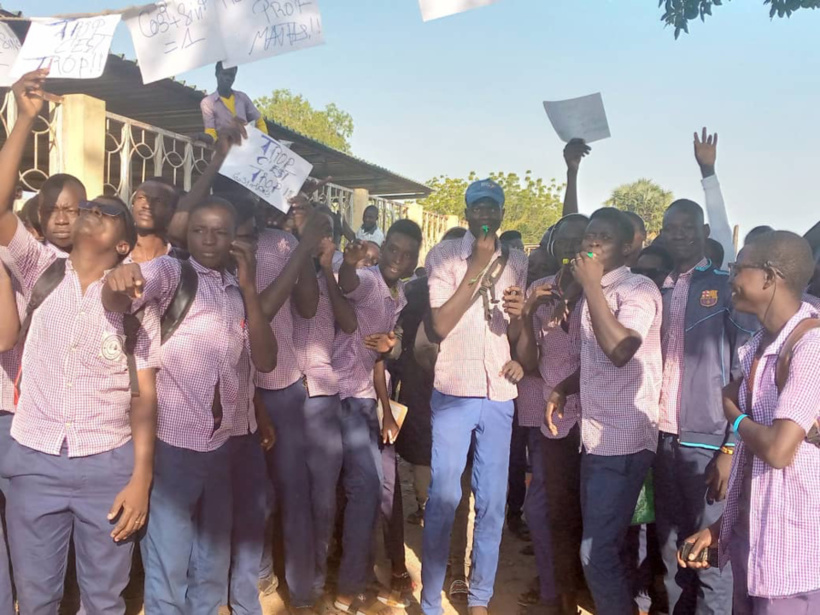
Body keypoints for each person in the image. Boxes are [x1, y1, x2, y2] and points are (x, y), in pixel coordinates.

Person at [0, 70, 161, 615]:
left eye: (103, 210)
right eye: (87, 205)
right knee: (38, 598)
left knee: (103, 599)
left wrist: (141, 478)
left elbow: (144, 399)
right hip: (34, 460)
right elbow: (0, 208)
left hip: (108, 467)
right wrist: (24, 119)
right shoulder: (39, 267)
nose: (88, 210)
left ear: (121, 243)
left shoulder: (139, 301)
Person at [103, 195, 277, 613]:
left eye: (220, 231)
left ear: (235, 238)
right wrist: (121, 280)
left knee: (212, 566)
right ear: (188, 233)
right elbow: (124, 297)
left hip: (221, 447)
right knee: (168, 567)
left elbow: (266, 360)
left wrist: (250, 287)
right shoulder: (171, 272)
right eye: (200, 230)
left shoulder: (237, 291)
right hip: (174, 446)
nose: (210, 240)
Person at [680, 231, 820, 614]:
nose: (731, 278)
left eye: (739, 268)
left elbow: (777, 450)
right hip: (756, 543)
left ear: (769, 278)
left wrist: (734, 414)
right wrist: (722, 527)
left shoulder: (811, 347)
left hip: (794, 559)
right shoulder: (759, 343)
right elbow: (760, 468)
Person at [546, 207, 663, 615]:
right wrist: (563, 388)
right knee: (608, 549)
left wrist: (592, 288)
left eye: (604, 237)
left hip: (624, 440)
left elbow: (620, 350)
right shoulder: (594, 292)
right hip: (596, 439)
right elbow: (595, 361)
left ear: (629, 246)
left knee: (596, 554)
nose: (592, 242)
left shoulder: (639, 289)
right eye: (589, 235)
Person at [421, 178, 528, 615]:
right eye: (478, 208)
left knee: (492, 502)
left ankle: (480, 596)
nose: (486, 215)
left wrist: (521, 318)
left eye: (493, 208)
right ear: (467, 213)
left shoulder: (518, 260)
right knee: (445, 498)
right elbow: (440, 326)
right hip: (454, 389)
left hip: (499, 393)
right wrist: (477, 267)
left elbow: (517, 333)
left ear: (502, 213)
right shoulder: (444, 256)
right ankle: (430, 601)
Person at [655, 198, 755, 615]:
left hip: (709, 443)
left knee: (710, 557)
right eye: (671, 227)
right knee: (670, 553)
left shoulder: (726, 290)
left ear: (704, 232)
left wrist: (730, 448)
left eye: (687, 226)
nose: (679, 234)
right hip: (660, 438)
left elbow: (745, 377)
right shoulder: (654, 288)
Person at [331, 219, 421, 615]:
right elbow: (350, 283)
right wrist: (349, 264)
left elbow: (378, 361)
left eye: (408, 254)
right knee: (365, 490)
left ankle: (366, 573)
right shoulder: (369, 280)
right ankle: (347, 586)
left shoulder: (396, 294)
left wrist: (386, 411)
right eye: (394, 250)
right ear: (382, 250)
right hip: (342, 397)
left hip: (368, 399)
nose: (399, 259)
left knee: (381, 491)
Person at [200, 62, 268, 144]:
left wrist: (263, 142)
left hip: (247, 148)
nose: (228, 78)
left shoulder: (242, 98)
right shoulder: (208, 103)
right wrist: (204, 137)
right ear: (217, 74)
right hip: (226, 151)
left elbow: (259, 122)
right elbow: (211, 132)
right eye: (225, 74)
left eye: (231, 75)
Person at [37, 173, 87, 255]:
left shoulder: (102, 260)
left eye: (71, 211)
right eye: (51, 211)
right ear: (40, 215)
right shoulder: (28, 260)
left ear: (85, 213)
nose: (61, 220)